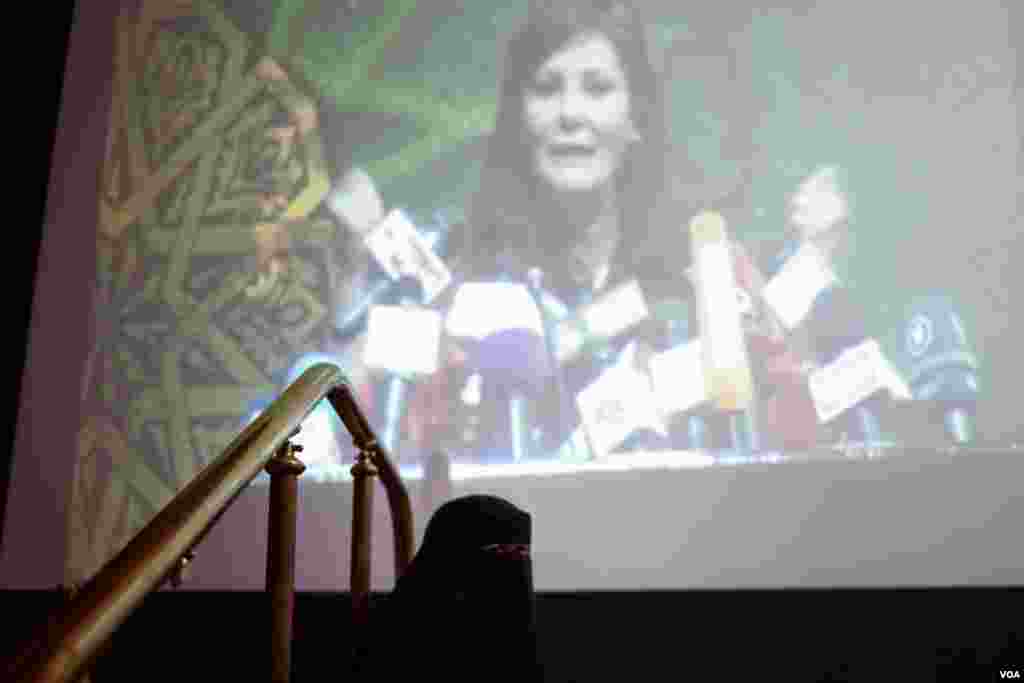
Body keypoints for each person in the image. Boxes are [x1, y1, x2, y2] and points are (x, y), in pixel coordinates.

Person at [408, 0, 698, 464]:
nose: (570, 114)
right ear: (518, 119)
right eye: (546, 88)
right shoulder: (457, 278)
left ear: (637, 118)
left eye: (598, 88)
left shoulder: (696, 282)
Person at [361, 494, 542, 681]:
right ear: (452, 556)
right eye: (499, 550)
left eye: (521, 551)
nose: (514, 564)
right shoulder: (396, 642)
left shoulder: (522, 637)